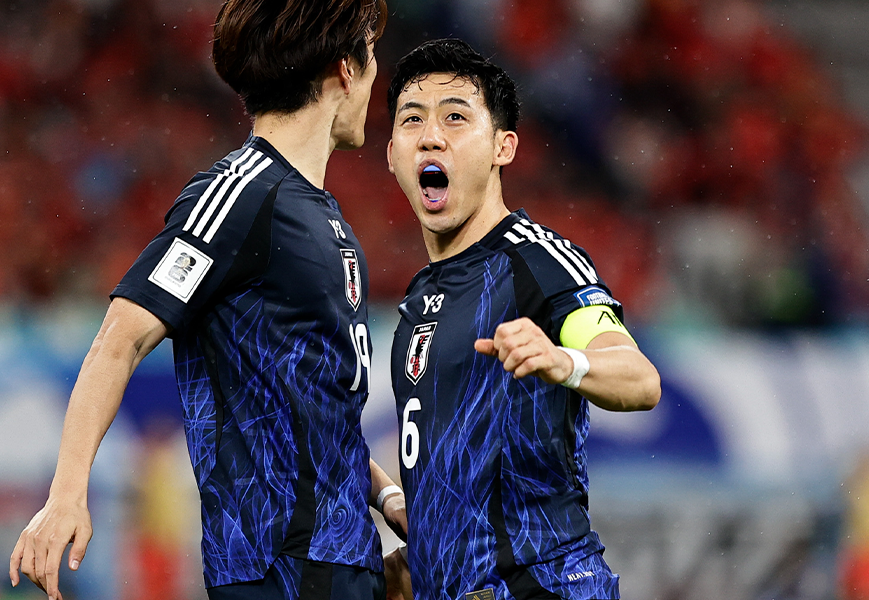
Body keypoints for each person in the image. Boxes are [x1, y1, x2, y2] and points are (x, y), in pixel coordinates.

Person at [8, 1, 409, 599]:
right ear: (344, 69)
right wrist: (66, 495)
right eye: (371, 55)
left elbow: (313, 406)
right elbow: (120, 338)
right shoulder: (237, 194)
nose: (378, 76)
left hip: (343, 562)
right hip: (273, 567)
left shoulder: (326, 220)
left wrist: (384, 500)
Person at [384, 39, 661, 599]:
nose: (431, 135)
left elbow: (640, 378)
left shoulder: (536, 261)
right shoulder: (418, 299)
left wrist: (564, 360)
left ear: (502, 147)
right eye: (413, 120)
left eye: (456, 118)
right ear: (392, 153)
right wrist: (426, 555)